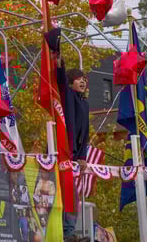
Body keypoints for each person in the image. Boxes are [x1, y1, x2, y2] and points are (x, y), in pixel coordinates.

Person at [56, 53, 89, 242]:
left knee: (71, 194)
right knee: (64, 191)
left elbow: (84, 134)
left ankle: (69, 231)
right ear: (71, 82)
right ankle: (66, 232)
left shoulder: (84, 104)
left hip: (73, 156)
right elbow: (60, 82)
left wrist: (83, 156)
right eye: (78, 78)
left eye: (84, 78)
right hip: (61, 151)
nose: (82, 81)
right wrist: (61, 66)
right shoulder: (67, 96)